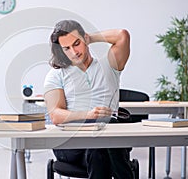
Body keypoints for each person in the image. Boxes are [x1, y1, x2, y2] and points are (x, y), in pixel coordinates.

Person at [43, 20, 132, 179]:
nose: (74, 52)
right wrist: (89, 115)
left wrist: (90, 37)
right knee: (103, 140)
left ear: (85, 39)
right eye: (66, 48)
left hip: (104, 136)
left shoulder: (109, 65)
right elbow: (56, 115)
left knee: (99, 145)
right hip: (71, 143)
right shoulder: (56, 74)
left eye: (77, 43)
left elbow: (122, 36)